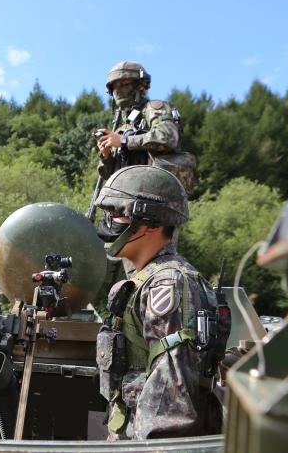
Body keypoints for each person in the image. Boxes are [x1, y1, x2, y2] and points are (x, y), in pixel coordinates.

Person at [94, 165, 227, 440]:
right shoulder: (141, 282)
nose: (108, 221)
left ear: (152, 224)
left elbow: (170, 410)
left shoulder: (170, 285)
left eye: (118, 213)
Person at [94, 61, 196, 193]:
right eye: (114, 86)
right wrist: (106, 155)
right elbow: (110, 176)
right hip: (126, 197)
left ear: (140, 86)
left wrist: (124, 141)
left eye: (123, 84)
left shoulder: (154, 108)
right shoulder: (123, 127)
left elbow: (168, 137)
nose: (117, 90)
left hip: (155, 196)